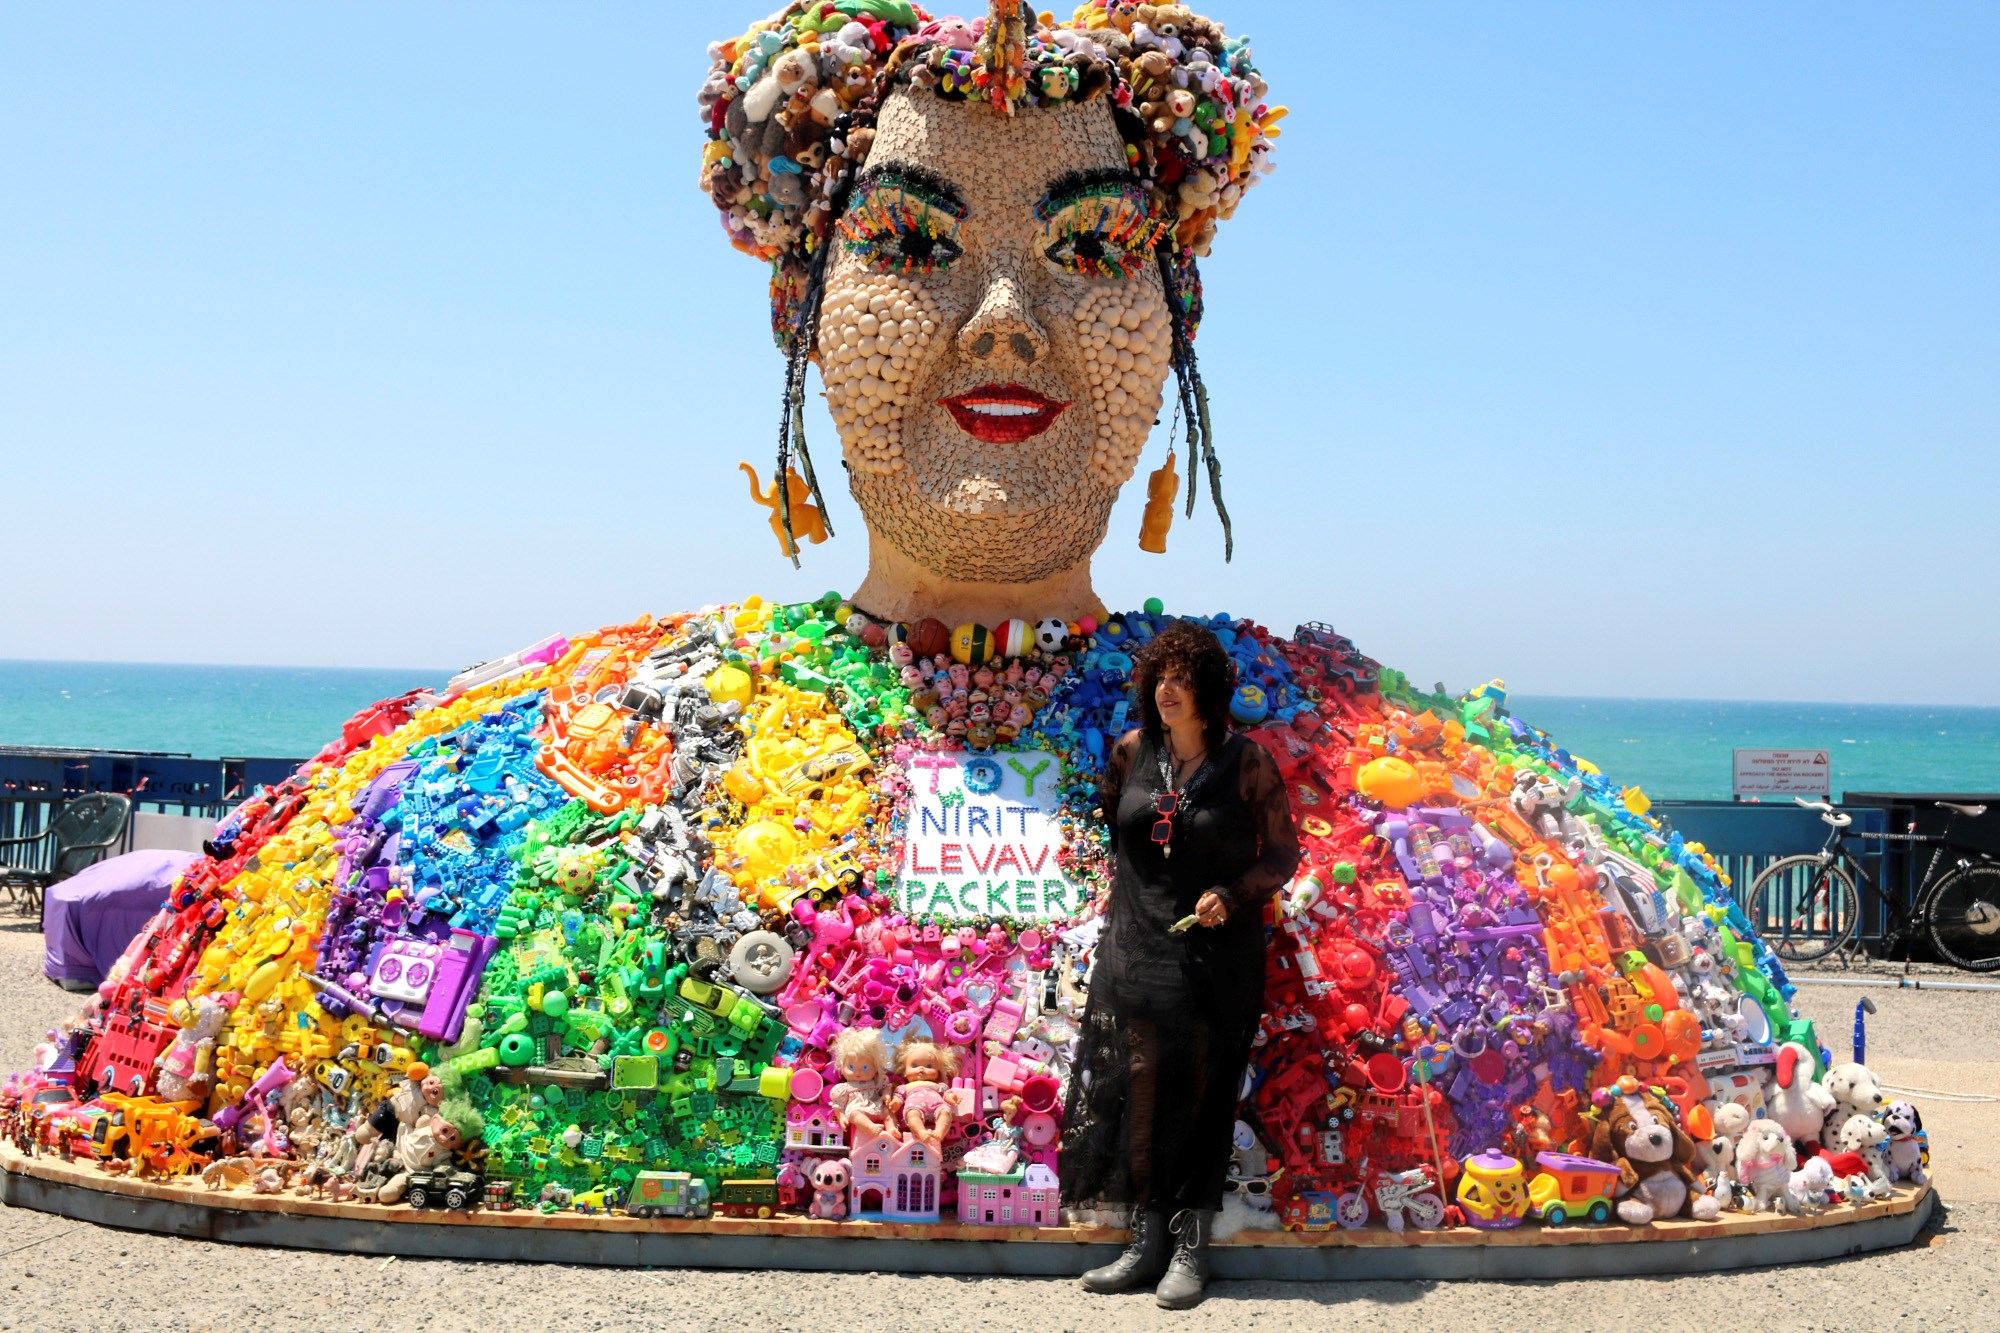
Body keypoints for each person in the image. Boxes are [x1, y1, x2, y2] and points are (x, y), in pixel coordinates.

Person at [1060, 618, 1300, 1308]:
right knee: (1139, 1090)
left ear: (1210, 688)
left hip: (1216, 958)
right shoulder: (1131, 750)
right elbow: (1120, 829)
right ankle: (1143, 1243)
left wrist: (1230, 891)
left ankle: (1190, 1247)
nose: (1167, 688)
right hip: (1137, 951)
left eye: (1182, 677)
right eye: (1159, 676)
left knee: (1200, 1096)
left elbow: (1282, 854)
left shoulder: (1247, 761)